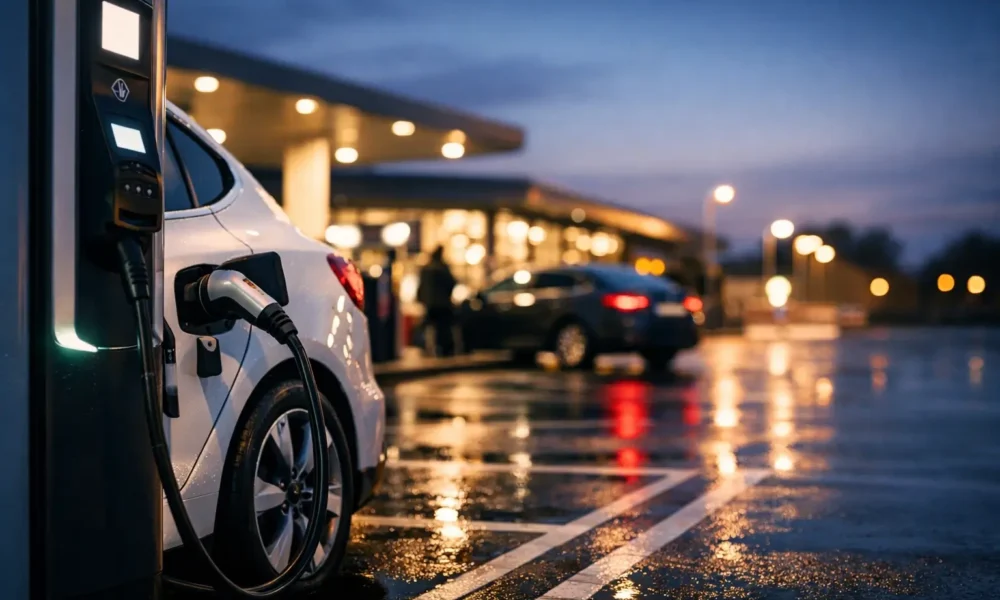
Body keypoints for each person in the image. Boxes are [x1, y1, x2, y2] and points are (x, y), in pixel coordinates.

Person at [417, 246, 457, 356]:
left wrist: (421, 298)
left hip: (430, 303)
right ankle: (444, 349)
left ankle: (426, 348)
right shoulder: (442, 268)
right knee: (443, 328)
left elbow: (421, 286)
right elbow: (452, 283)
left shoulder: (426, 269)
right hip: (442, 303)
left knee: (428, 326)